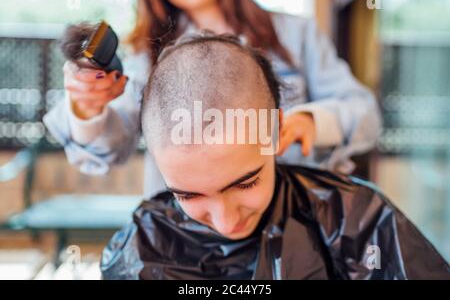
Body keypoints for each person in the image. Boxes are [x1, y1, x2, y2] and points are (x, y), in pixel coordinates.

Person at [100, 34, 449, 280]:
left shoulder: (357, 223)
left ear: (276, 132)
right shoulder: (144, 246)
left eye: (247, 182)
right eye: (188, 195)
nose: (226, 222)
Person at [44, 0, 381, 198]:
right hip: (187, 244)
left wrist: (312, 121)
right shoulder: (146, 57)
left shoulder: (296, 35)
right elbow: (110, 148)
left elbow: (364, 113)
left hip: (295, 227)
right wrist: (88, 111)